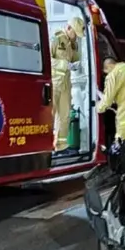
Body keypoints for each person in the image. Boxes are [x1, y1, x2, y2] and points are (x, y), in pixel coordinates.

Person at [50, 17, 84, 152]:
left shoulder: (72, 44)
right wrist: (65, 64)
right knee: (49, 115)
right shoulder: (56, 38)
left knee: (65, 115)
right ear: (69, 28)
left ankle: (60, 145)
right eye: (75, 34)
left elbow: (76, 60)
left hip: (66, 83)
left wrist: (75, 62)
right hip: (54, 83)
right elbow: (47, 58)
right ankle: (46, 145)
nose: (76, 37)